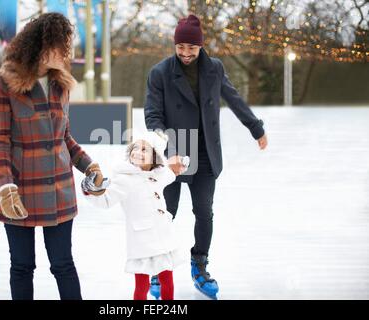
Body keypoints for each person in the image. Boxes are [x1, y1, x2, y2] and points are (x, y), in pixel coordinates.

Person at [144, 14, 268, 299]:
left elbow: (233, 98)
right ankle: (158, 269)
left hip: (205, 151)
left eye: (192, 48)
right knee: (166, 214)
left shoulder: (214, 68)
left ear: (201, 46)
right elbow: (153, 114)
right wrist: (168, 147)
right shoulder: (160, 73)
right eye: (181, 47)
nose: (186, 54)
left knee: (204, 211)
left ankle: (199, 264)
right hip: (173, 151)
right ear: (175, 45)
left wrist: (256, 127)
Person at [0, 13, 104, 300]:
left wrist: (89, 166)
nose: (67, 53)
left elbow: (63, 137)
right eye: (62, 46)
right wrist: (5, 187)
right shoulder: (3, 83)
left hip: (60, 190)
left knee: (63, 264)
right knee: (23, 266)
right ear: (41, 44)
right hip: (20, 190)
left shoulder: (60, 84)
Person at [82, 131, 188, 300]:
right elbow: (106, 201)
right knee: (142, 286)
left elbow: (171, 173)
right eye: (135, 148)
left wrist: (181, 164)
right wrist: (91, 191)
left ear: (155, 157)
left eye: (144, 149)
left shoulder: (158, 175)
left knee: (167, 282)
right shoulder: (124, 180)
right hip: (142, 242)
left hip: (163, 237)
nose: (138, 152)